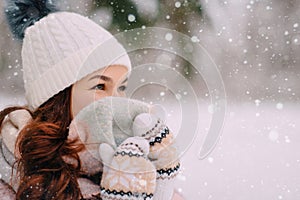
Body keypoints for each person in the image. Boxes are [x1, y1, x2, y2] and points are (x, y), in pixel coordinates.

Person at [0, 0, 184, 199]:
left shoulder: (134, 157)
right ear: (58, 96)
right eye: (100, 86)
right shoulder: (12, 172)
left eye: (121, 87)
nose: (116, 100)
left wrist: (162, 188)